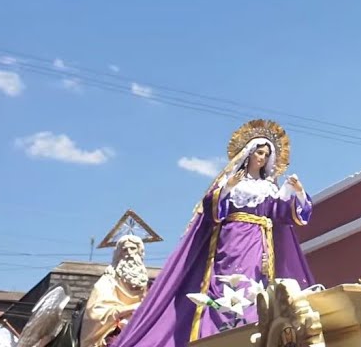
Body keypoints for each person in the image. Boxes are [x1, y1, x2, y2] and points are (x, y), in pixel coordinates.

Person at [113, 120, 313, 347]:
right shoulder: (231, 183)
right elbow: (213, 209)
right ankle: (222, 331)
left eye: (267, 154)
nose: (263, 158)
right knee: (229, 283)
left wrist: (297, 193)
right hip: (233, 239)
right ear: (247, 153)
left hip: (261, 243)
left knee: (257, 286)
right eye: (259, 152)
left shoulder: (269, 187)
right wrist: (228, 188)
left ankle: (256, 328)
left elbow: (283, 213)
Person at [80, 235, 149, 347]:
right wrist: (132, 308)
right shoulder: (109, 279)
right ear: (119, 254)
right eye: (125, 250)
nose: (129, 253)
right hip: (112, 332)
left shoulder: (143, 279)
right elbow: (95, 313)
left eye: (133, 248)